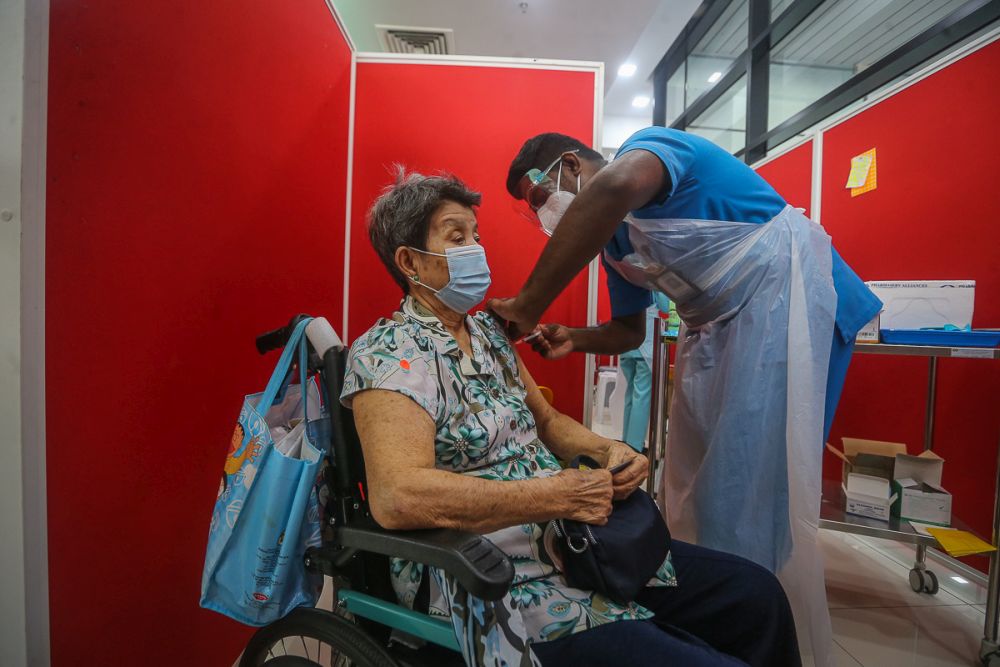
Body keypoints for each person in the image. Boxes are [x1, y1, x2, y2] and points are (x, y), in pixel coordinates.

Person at [342, 168, 800, 666]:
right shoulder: (388, 354)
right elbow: (397, 496)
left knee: (758, 597)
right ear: (410, 261)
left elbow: (547, 422)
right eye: (458, 237)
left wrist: (609, 452)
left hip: (571, 543)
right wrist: (552, 494)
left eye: (477, 235)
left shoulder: (491, 335)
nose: (477, 249)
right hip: (487, 572)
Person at [491, 129, 883, 665]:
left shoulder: (650, 152)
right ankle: (724, 610)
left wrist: (529, 303)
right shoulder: (616, 244)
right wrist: (573, 338)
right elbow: (631, 330)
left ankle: (753, 614)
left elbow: (613, 188)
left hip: (788, 305)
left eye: (539, 197)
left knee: (760, 487)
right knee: (700, 486)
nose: (543, 216)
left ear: (568, 165)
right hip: (720, 332)